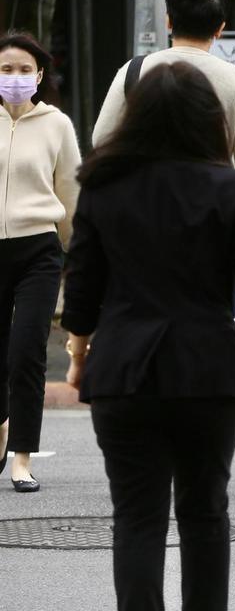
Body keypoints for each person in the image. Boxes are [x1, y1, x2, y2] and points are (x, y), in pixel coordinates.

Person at [62, 60, 235, 610]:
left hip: (122, 370)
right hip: (209, 370)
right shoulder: (231, 188)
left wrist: (78, 355)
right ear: (207, 120)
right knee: (205, 510)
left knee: (137, 518)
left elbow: (83, 286)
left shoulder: (102, 187)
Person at [93, 0, 235, 261]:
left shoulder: (134, 71)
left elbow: (101, 140)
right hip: (213, 234)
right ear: (220, 29)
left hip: (141, 229)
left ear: (168, 21)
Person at [0, 31, 81, 492]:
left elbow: (70, 195)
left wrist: (80, 259)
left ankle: (23, 457)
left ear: (40, 74)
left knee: (27, 351)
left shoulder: (57, 125)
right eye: (6, 69)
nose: (15, 78)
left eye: (24, 70)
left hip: (38, 250)